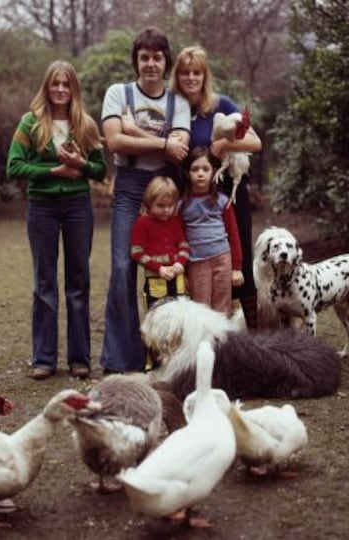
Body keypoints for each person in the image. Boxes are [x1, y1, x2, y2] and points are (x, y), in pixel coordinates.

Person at [6, 60, 106, 380]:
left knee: (78, 282)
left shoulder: (85, 125)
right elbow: (14, 167)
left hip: (78, 206)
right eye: (55, 84)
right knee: (44, 282)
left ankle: (79, 358)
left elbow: (102, 170)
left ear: (74, 88)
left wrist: (81, 163)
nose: (61, 90)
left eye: (66, 84)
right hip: (42, 207)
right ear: (47, 87)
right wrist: (53, 172)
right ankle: (44, 358)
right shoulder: (31, 123)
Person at [100, 27, 191, 374]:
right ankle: (121, 358)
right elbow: (114, 142)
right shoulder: (118, 94)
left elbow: (180, 149)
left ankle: (170, 352)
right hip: (128, 187)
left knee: (172, 268)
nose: (150, 64)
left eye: (157, 57)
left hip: (165, 189)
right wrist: (162, 143)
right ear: (136, 61)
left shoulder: (178, 103)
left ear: (165, 62)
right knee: (123, 267)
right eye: (144, 57)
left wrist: (135, 131)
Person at [171, 46, 262, 328]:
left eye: (197, 72)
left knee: (240, 260)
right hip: (194, 194)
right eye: (185, 72)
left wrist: (223, 144)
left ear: (204, 75)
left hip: (228, 191)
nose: (191, 78)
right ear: (177, 76)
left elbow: (256, 142)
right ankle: (202, 331)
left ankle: (253, 333)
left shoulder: (221, 105)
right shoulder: (174, 109)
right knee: (198, 261)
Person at [180, 146, 243, 315]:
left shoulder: (223, 201)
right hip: (196, 262)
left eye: (205, 169)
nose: (200, 173)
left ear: (214, 172)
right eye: (195, 169)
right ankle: (202, 341)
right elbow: (179, 239)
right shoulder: (181, 204)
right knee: (200, 308)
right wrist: (182, 271)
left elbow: (234, 234)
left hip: (222, 258)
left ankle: (221, 341)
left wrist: (236, 268)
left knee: (222, 306)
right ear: (187, 173)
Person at [130, 175, 189, 310]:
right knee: (156, 317)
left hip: (177, 278)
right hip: (156, 280)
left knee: (179, 316)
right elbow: (136, 252)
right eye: (160, 206)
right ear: (149, 203)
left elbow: (184, 245)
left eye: (170, 205)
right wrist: (158, 268)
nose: (166, 210)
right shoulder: (142, 223)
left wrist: (180, 262)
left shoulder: (174, 220)